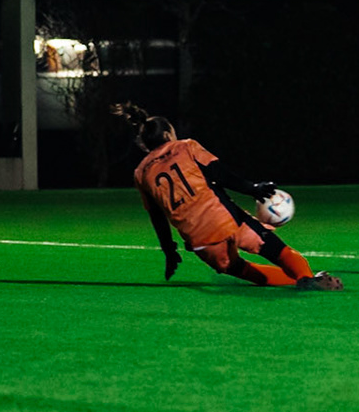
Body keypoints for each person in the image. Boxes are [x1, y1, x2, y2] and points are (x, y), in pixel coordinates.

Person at [114, 103, 342, 291]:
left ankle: (301, 281)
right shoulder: (185, 147)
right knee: (276, 250)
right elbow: (220, 173)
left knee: (239, 268)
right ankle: (305, 277)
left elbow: (157, 217)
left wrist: (169, 251)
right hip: (226, 220)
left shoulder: (141, 172)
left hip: (201, 242)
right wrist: (253, 188)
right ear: (167, 134)